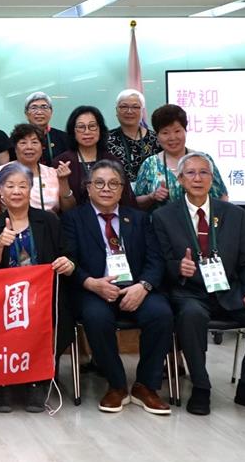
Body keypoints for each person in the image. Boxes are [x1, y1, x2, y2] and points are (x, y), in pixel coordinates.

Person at [152, 152, 245, 416]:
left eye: (204, 173)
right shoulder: (164, 216)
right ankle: (201, 387)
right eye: (191, 173)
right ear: (180, 180)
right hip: (189, 292)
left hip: (230, 291)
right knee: (191, 316)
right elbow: (159, 262)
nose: (197, 178)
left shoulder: (235, 215)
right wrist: (178, 267)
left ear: (212, 178)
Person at [62, 160, 173, 415]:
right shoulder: (73, 219)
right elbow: (68, 259)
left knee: (161, 314)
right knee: (96, 317)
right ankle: (117, 385)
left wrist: (143, 286)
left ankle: (146, 385)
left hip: (136, 288)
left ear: (122, 189)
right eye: (99, 183)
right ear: (88, 187)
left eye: (113, 184)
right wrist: (91, 283)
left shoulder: (140, 219)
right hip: (94, 288)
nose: (106, 189)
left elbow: (156, 259)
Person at [0, 162, 75, 413]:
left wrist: (68, 264)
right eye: (10, 186)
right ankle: (4, 382)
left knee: (60, 317)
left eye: (22, 186)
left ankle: (38, 380)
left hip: (43, 296)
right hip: (4, 298)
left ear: (31, 189)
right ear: (0, 190)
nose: (16, 191)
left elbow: (68, 254)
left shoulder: (48, 220)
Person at [135, 104, 228, 210]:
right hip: (161, 220)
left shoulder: (203, 160)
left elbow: (222, 196)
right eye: (165, 133)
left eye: (177, 131)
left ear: (185, 131)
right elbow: (137, 202)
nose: (172, 137)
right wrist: (151, 197)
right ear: (157, 135)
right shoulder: (150, 164)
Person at [54, 106, 137, 211]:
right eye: (81, 127)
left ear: (100, 129)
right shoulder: (61, 162)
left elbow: (126, 200)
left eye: (92, 126)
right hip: (74, 219)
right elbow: (61, 208)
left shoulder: (112, 161)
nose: (87, 132)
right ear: (73, 131)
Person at [0, 124, 70, 213]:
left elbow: (68, 209)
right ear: (15, 148)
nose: (29, 147)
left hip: (49, 221)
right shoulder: (1, 172)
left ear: (42, 147)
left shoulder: (53, 173)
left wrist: (63, 181)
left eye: (34, 142)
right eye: (23, 143)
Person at [107, 89, 160, 184]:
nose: (129, 111)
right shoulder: (106, 139)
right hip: (116, 191)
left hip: (152, 192)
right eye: (124, 106)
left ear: (142, 111)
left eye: (135, 107)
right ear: (116, 110)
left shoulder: (156, 139)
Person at [22, 91, 69, 166]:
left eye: (44, 107)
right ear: (26, 113)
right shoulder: (18, 138)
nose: (39, 112)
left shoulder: (64, 137)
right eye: (34, 108)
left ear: (51, 112)